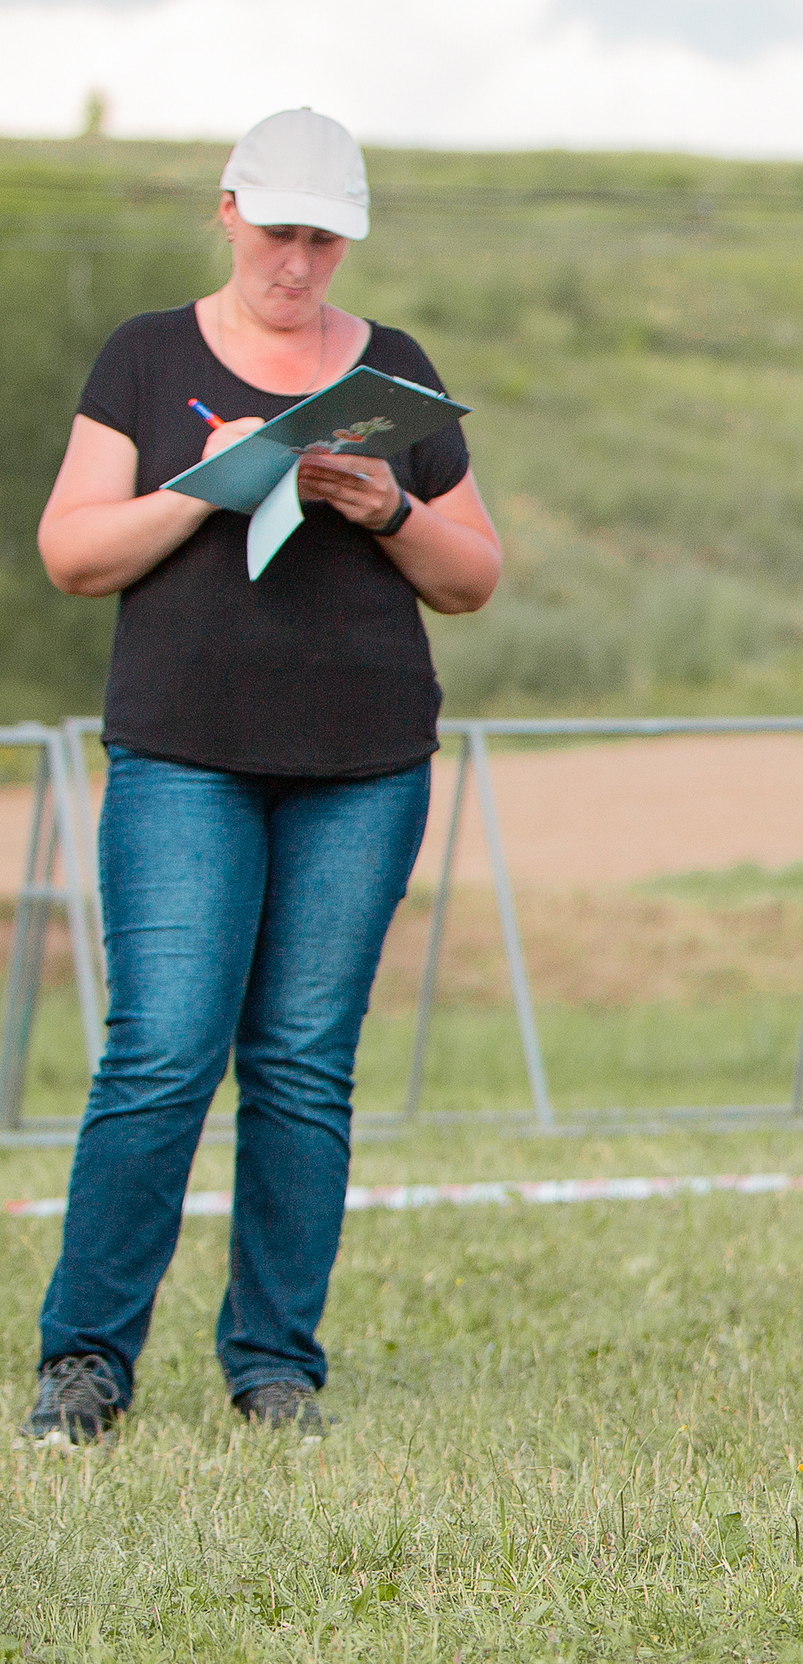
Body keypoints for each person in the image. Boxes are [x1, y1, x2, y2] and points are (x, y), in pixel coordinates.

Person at [21, 108, 502, 1447]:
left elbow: (474, 576)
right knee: (163, 1051)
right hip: (183, 755)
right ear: (227, 212)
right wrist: (213, 482)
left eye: (324, 239)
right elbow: (71, 552)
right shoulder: (145, 356)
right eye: (278, 230)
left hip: (364, 765)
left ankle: (276, 1366)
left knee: (300, 1066)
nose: (297, 261)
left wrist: (386, 505)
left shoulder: (395, 372)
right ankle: (84, 1361)